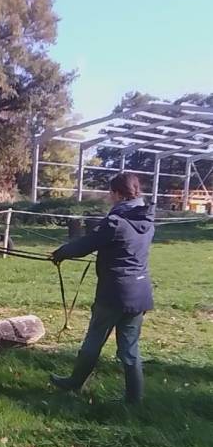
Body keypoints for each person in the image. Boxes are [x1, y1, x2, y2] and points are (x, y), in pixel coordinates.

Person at [50, 173, 155, 404]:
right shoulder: (147, 221)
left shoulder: (115, 221)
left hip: (114, 292)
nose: (110, 197)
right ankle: (134, 399)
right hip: (140, 293)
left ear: (117, 193)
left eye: (111, 192)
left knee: (93, 341)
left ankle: (74, 383)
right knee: (130, 349)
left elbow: (85, 245)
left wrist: (61, 253)